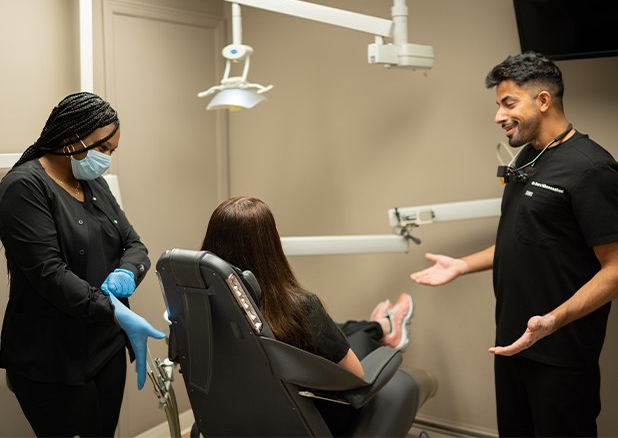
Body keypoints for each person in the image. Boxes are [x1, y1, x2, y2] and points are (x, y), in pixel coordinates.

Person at [410, 51, 618, 437]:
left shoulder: (591, 169)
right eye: (497, 105)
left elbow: (616, 269)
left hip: (559, 353)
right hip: (512, 344)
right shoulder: (529, 157)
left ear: (543, 100)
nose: (498, 116)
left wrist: (553, 320)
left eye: (508, 104)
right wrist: (461, 265)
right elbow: (524, 239)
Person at [0, 92, 164, 438]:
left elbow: (135, 244)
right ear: (71, 135)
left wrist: (126, 272)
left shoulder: (95, 185)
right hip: (51, 358)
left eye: (111, 152)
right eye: (102, 148)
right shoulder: (23, 188)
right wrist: (117, 312)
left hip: (104, 347)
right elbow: (50, 275)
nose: (106, 159)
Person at [201, 196, 414, 375]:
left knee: (336, 328)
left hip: (239, 410)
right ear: (270, 243)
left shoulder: (200, 302)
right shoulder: (298, 306)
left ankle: (382, 324)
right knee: (358, 337)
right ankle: (385, 328)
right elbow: (356, 374)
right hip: (310, 412)